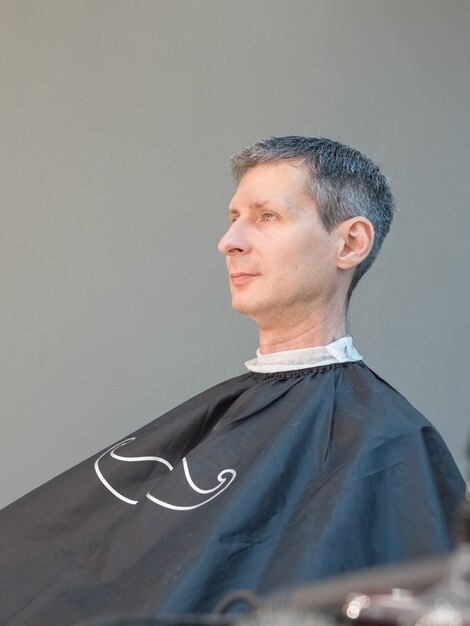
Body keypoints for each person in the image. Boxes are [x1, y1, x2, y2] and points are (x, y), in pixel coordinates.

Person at [0, 137, 465, 625]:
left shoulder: (388, 442)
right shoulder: (221, 414)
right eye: (233, 217)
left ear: (349, 243)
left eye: (266, 216)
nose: (230, 241)